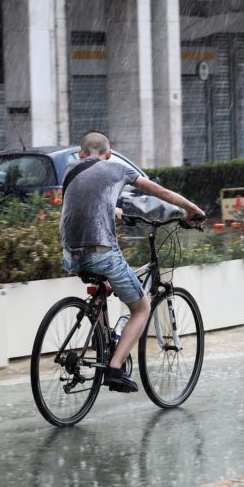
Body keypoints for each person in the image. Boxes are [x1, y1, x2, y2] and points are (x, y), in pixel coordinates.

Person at [60, 131, 205, 393]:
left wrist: (112, 210)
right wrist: (192, 209)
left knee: (103, 289)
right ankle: (114, 369)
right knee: (141, 307)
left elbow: (82, 202)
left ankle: (102, 346)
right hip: (101, 252)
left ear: (81, 154)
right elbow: (158, 191)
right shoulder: (117, 167)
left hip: (70, 255)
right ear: (109, 154)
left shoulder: (71, 169)